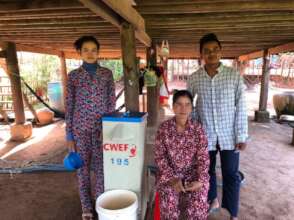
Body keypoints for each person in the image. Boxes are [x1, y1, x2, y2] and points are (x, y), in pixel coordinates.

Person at [187, 33, 248, 220]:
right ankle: (212, 200)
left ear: (221, 52)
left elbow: (241, 106)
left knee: (231, 174)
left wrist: (241, 135)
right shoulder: (194, 78)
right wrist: (194, 134)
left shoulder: (233, 76)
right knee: (207, 171)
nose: (211, 54)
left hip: (229, 136)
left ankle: (232, 212)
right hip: (205, 136)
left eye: (215, 50)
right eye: (207, 51)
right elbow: (191, 108)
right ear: (201, 54)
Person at [65, 36, 116, 220]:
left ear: (98, 52)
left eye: (94, 49)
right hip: (80, 130)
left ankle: (101, 204)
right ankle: (86, 207)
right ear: (79, 52)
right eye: (85, 49)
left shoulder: (107, 74)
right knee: (82, 170)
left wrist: (108, 126)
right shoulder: (73, 76)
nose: (90, 53)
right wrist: (69, 135)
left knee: (102, 169)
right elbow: (69, 106)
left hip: (101, 130)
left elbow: (111, 102)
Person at [154, 90, 210, 220]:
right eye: (179, 104)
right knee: (168, 204)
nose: (183, 108)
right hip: (169, 176)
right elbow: (159, 157)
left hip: (193, 176)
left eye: (187, 104)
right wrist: (172, 178)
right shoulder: (164, 129)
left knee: (198, 206)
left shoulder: (198, 129)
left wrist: (200, 180)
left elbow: (204, 158)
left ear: (191, 107)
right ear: (173, 106)